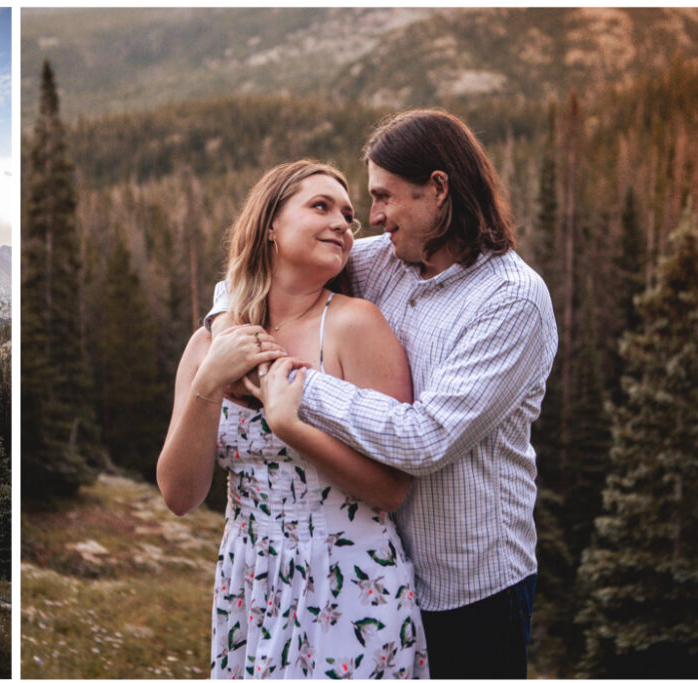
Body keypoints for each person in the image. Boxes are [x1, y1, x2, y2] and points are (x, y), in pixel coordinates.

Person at [208, 109, 558, 679]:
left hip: (467, 585)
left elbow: (426, 439)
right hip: (374, 570)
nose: (370, 219)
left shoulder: (511, 301)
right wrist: (228, 326)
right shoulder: (391, 259)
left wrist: (289, 381)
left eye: (384, 197)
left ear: (438, 190)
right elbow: (263, 269)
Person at [159, 160, 429, 679]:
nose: (344, 224)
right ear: (270, 226)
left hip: (349, 577)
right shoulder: (209, 343)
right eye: (320, 206)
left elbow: (392, 490)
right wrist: (207, 384)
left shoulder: (355, 325)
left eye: (349, 216)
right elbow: (178, 497)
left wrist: (291, 428)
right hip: (248, 575)